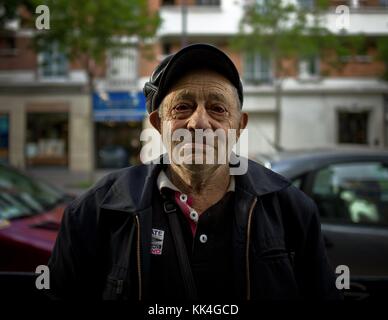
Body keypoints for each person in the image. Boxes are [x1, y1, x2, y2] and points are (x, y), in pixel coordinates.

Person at [48, 43, 342, 300]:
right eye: (183, 107)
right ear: (157, 124)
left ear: (239, 126)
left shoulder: (292, 210)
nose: (199, 123)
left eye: (217, 108)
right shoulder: (94, 211)